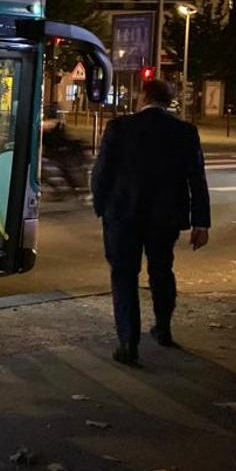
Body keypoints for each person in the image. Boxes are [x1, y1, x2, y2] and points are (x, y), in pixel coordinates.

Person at [92, 79, 210, 366]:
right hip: (164, 218)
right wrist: (201, 223)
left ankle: (128, 342)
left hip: (123, 216)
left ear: (142, 97)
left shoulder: (119, 128)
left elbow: (101, 174)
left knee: (124, 276)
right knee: (161, 272)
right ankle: (163, 328)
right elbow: (197, 179)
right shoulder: (184, 132)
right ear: (168, 101)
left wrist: (102, 209)